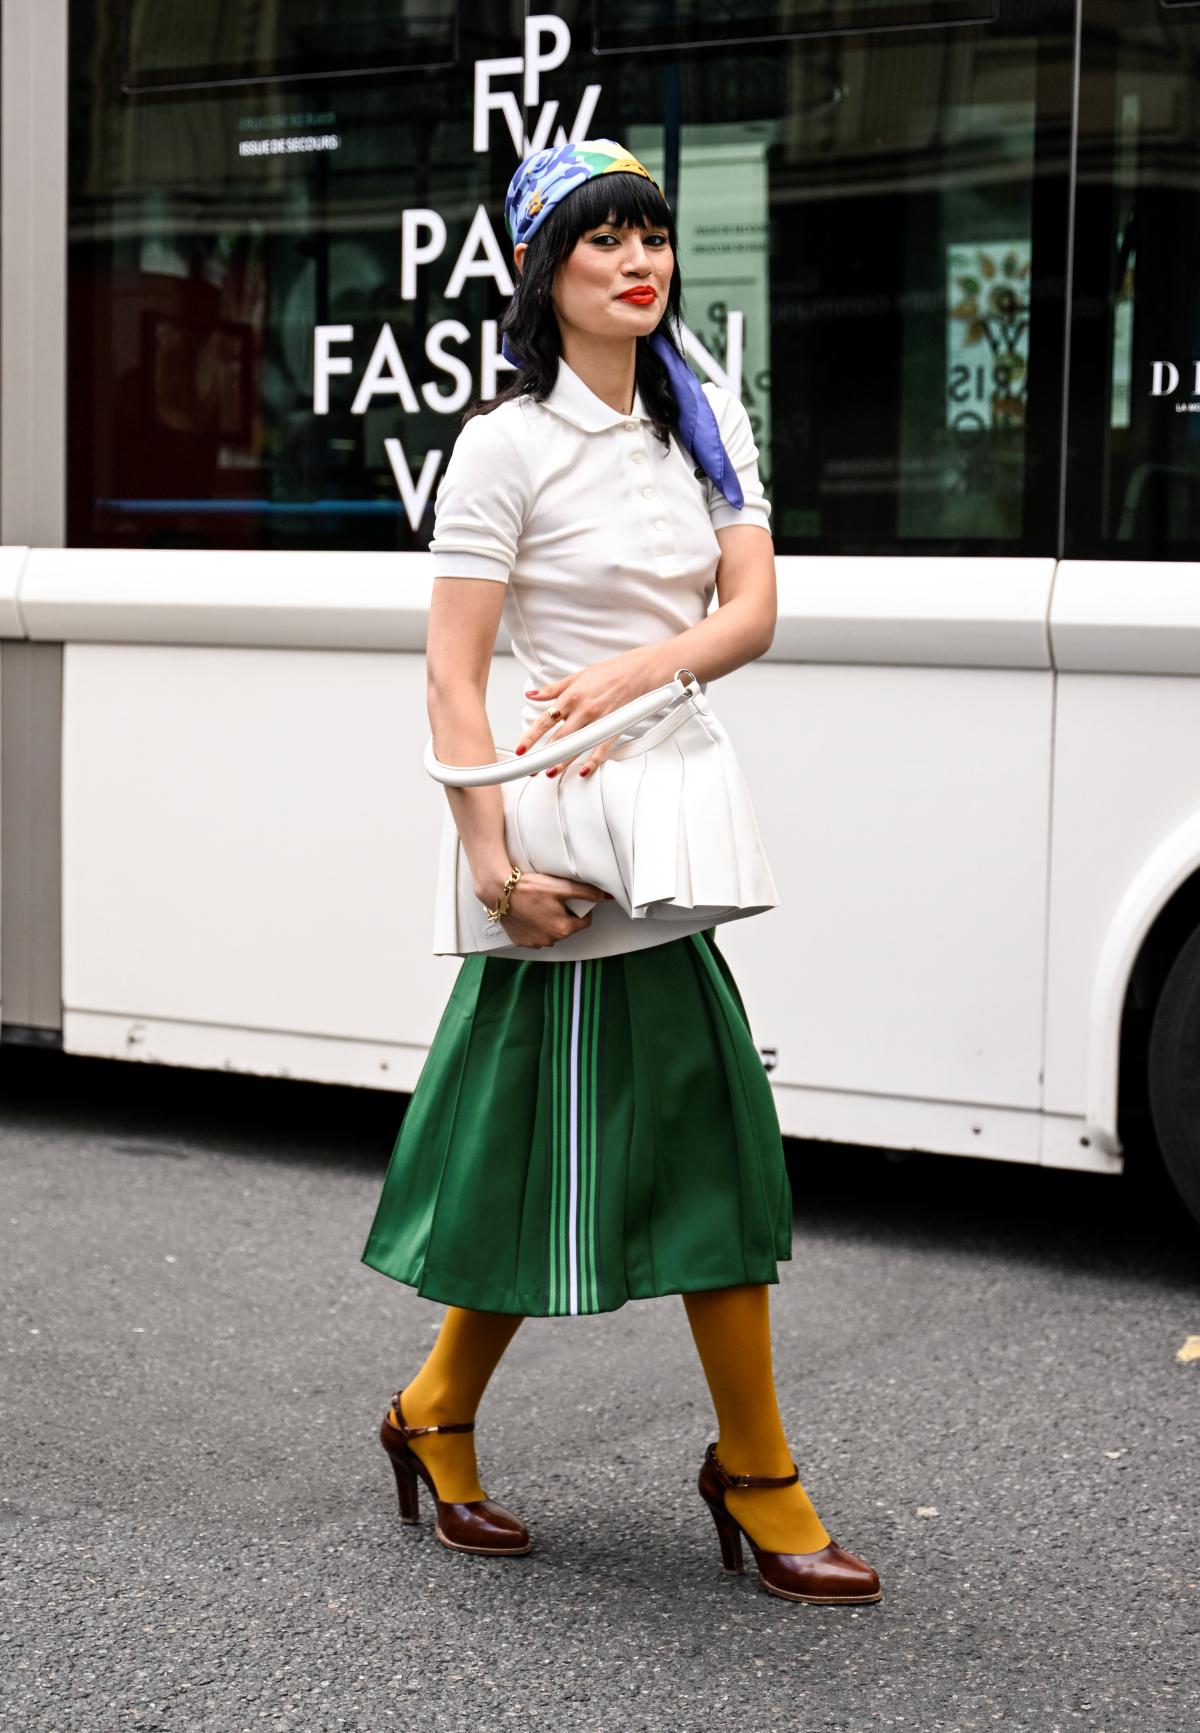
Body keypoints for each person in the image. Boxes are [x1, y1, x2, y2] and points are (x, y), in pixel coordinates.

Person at [360, 139, 881, 1606]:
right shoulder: (504, 443)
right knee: (554, 1163)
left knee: (658, 1152)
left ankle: (466, 1416)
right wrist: (490, 869)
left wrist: (643, 670)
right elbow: (455, 682)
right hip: (561, 856)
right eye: (602, 240)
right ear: (546, 273)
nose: (638, 258)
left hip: (671, 844)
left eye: (650, 232)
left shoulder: (698, 411)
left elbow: (756, 608)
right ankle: (708, 1463)